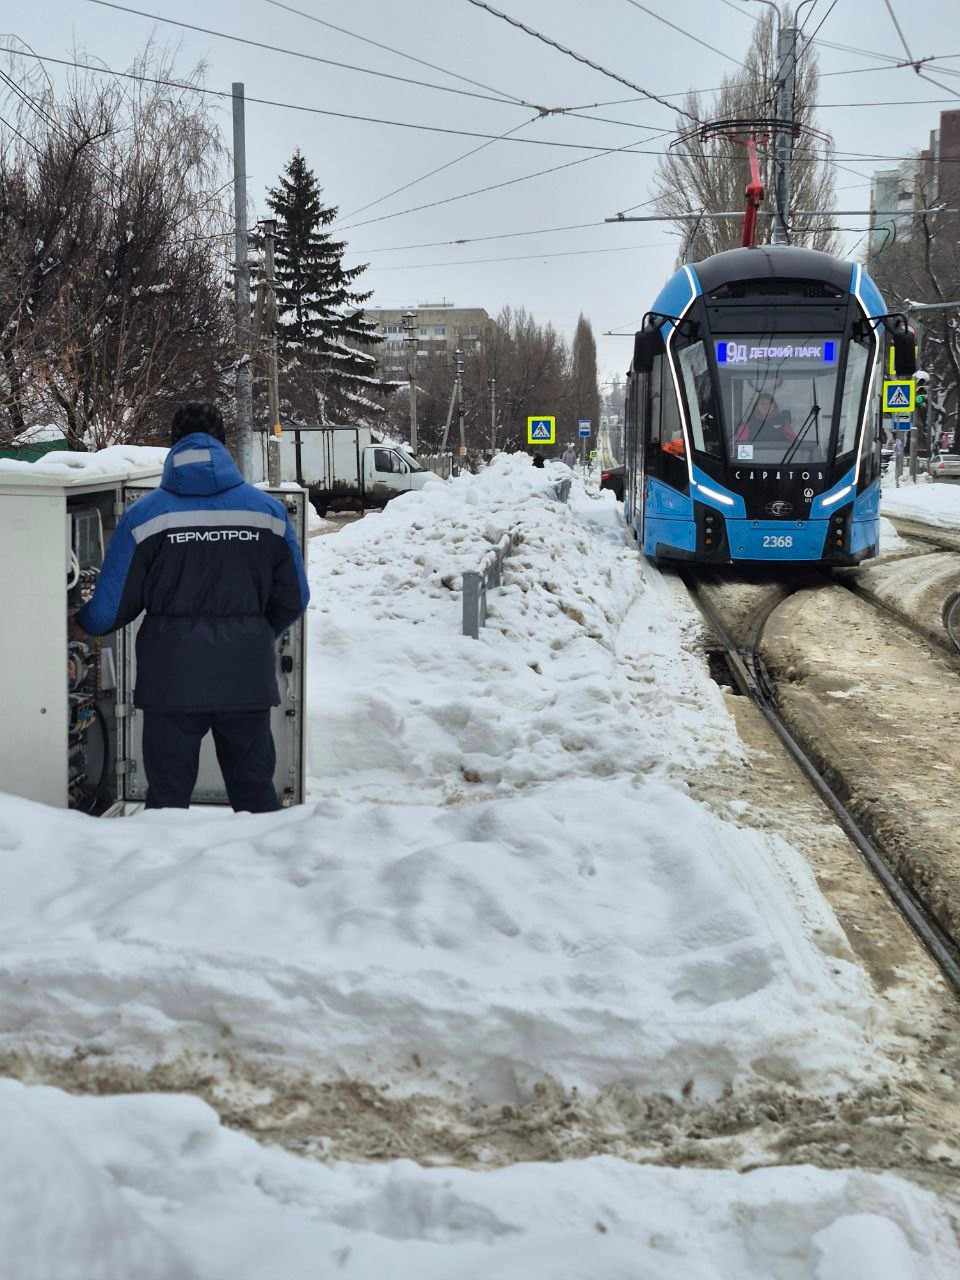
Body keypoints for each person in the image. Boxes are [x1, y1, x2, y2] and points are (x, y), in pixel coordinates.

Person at [74, 401, 309, 812]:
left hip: (171, 679)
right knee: (255, 796)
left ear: (173, 445)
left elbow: (110, 611)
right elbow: (295, 598)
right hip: (245, 678)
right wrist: (252, 633)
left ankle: (170, 874)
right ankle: (263, 874)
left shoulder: (143, 516)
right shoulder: (268, 513)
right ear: (223, 443)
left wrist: (77, 624)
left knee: (167, 801)